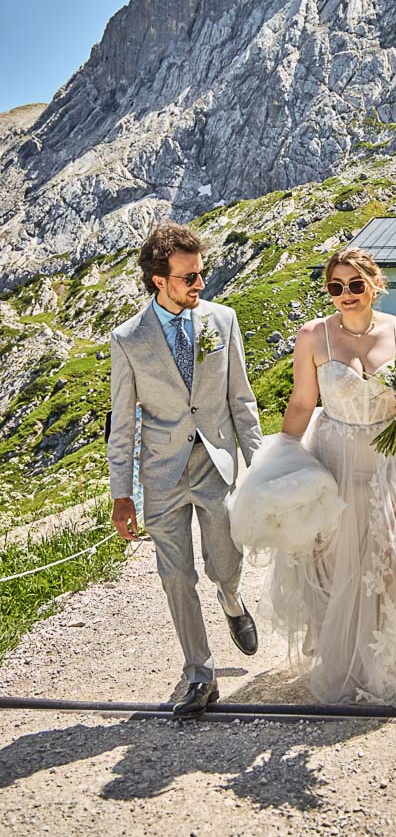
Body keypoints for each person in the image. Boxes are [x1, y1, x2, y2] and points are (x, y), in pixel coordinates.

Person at [257, 247, 396, 707]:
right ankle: (349, 652)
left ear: (375, 283)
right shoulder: (313, 336)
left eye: (355, 284)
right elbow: (300, 403)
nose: (346, 294)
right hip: (335, 456)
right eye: (336, 287)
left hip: (392, 459)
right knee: (338, 560)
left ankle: (391, 653)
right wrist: (282, 455)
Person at [107, 222, 263, 718]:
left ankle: (233, 600)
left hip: (215, 464)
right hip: (161, 475)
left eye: (202, 274)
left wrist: (259, 468)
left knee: (224, 563)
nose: (201, 285)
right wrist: (122, 495)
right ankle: (200, 673)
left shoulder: (224, 320)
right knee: (176, 576)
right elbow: (123, 424)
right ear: (160, 280)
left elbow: (242, 401)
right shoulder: (127, 339)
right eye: (190, 278)